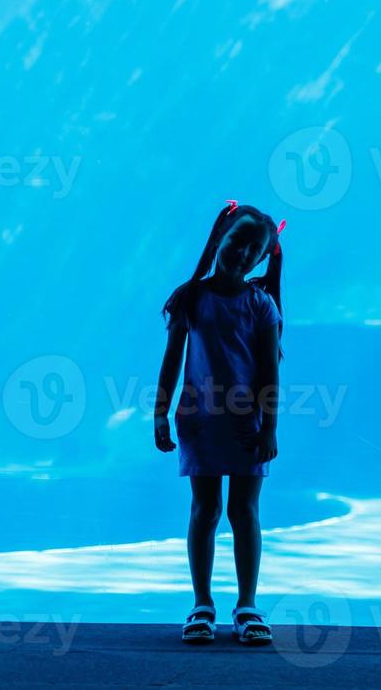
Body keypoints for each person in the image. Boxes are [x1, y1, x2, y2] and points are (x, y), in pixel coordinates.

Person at [155, 200, 285, 645]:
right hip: (199, 421)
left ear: (264, 257)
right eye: (236, 241)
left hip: (247, 426)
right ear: (219, 241)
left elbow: (270, 371)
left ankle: (247, 604)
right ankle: (202, 603)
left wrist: (269, 426)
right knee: (205, 509)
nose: (242, 252)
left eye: (254, 248)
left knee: (244, 511)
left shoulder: (261, 306)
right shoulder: (192, 297)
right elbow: (171, 361)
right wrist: (160, 411)